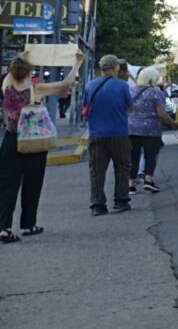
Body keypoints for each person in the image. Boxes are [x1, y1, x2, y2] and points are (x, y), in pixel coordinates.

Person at [0, 51, 84, 242]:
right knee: (33, 183)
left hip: (11, 139)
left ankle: (4, 228)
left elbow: (13, 73)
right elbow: (65, 84)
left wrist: (23, 57)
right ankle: (29, 225)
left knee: (7, 185)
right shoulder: (36, 90)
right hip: (33, 141)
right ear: (29, 72)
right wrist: (77, 64)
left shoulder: (6, 85)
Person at [85, 55, 135, 216]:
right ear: (115, 68)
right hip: (118, 133)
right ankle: (120, 200)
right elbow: (129, 107)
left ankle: (97, 205)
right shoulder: (122, 86)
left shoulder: (90, 85)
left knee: (97, 170)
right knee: (122, 166)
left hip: (96, 134)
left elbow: (85, 107)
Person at [128, 67, 178, 195]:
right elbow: (161, 113)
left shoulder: (131, 91)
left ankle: (130, 183)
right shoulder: (156, 92)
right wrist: (173, 124)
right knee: (150, 155)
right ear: (151, 79)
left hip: (132, 128)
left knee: (133, 155)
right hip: (151, 129)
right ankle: (148, 180)